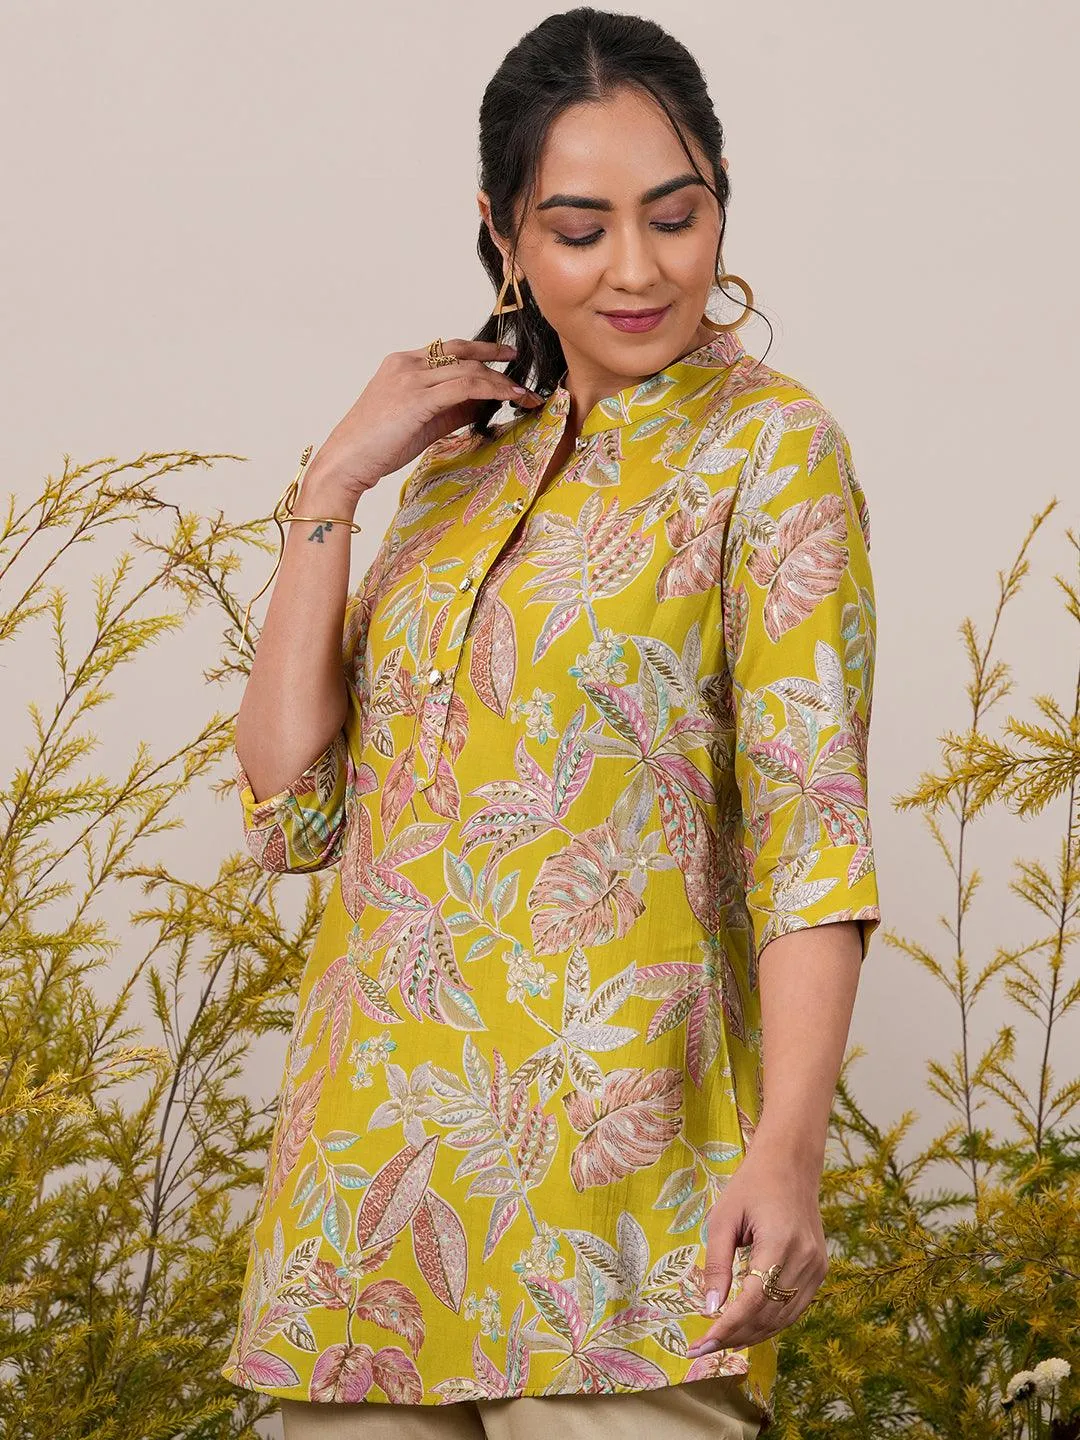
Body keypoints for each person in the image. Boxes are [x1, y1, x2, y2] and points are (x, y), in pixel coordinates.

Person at [220, 8, 883, 1438]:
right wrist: (333, 485)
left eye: (675, 216)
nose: (637, 268)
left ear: (721, 205)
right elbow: (294, 808)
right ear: (503, 234)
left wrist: (790, 1149)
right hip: (360, 1226)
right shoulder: (452, 476)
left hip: (618, 1225)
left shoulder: (770, 452)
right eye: (581, 229)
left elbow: (810, 830)